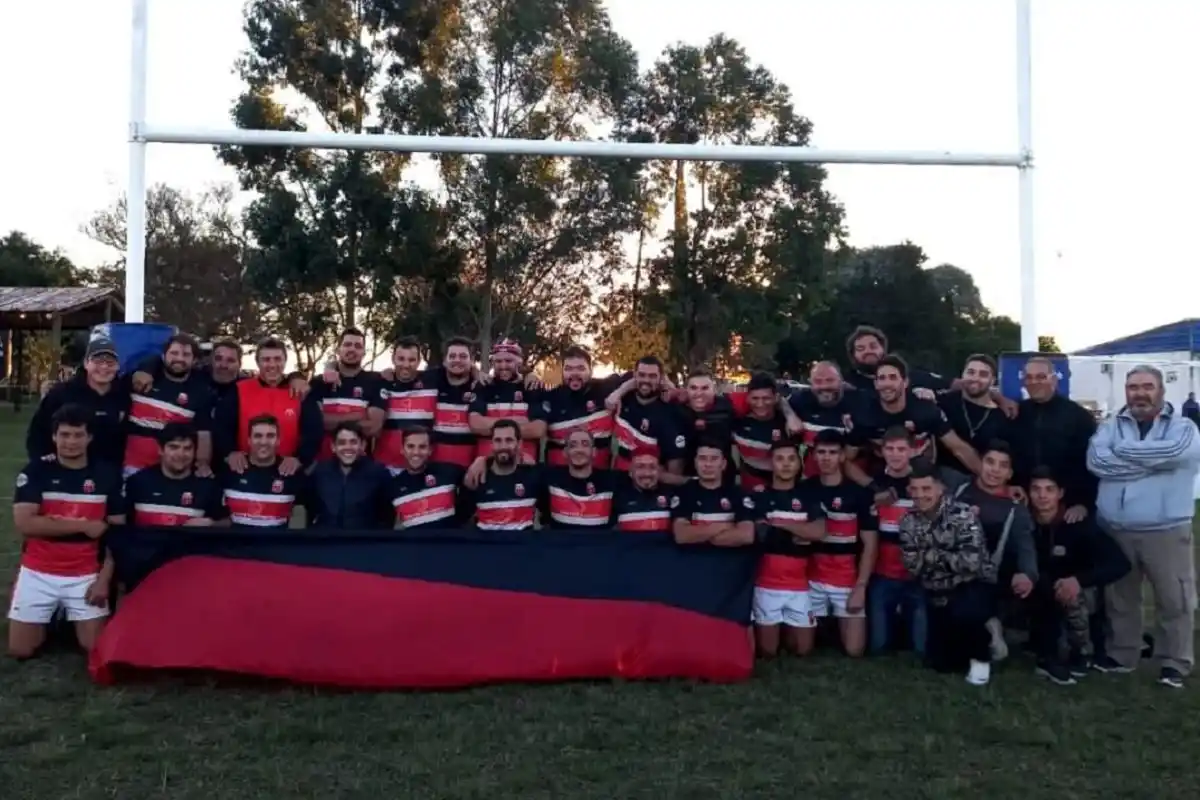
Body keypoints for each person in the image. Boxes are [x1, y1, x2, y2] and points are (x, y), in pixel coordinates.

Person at [1087, 365, 1200, 688]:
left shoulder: (1185, 428)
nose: (1140, 393)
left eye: (1147, 386)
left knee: (1174, 599)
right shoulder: (1111, 426)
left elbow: (1179, 452)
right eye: (1133, 386)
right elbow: (1096, 461)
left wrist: (1124, 454)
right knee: (1120, 597)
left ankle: (1174, 661)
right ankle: (1123, 653)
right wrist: (1154, 465)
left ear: (1161, 390)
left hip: (1166, 527)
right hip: (1116, 527)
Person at [8, 404, 123, 659]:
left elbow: (117, 533)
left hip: (85, 573)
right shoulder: (36, 471)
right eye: (64, 435)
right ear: (53, 437)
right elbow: (26, 523)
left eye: (78, 435)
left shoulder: (106, 474)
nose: (71, 442)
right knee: (20, 650)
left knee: (95, 649)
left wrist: (104, 580)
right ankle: (50, 617)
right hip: (38, 571)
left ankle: (62, 615)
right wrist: (84, 525)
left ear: (89, 437)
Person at [1026, 467, 1131, 686]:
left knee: (1070, 594)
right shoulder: (1023, 522)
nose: (1042, 496)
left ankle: (1082, 651)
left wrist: (1079, 580)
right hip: (1035, 590)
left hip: (1073, 593)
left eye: (1049, 489)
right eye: (1036, 489)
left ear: (1060, 493)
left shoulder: (1078, 525)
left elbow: (1120, 563)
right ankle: (1043, 649)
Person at [899, 464, 998, 686]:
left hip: (971, 585)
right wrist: (948, 558)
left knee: (967, 611)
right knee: (941, 664)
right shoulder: (907, 521)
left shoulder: (963, 515)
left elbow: (971, 564)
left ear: (940, 488)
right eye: (915, 489)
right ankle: (974, 644)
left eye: (926, 488)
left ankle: (982, 656)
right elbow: (912, 565)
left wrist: (930, 557)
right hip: (934, 589)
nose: (921, 495)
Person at [949, 440, 1038, 661]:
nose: (994, 470)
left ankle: (990, 628)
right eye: (990, 462)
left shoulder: (1016, 509)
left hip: (984, 578)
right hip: (947, 569)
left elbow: (1025, 545)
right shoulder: (957, 486)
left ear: (1010, 473)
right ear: (980, 463)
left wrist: (1028, 574)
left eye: (1002, 465)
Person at [803, 430, 878, 657]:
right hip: (810, 577)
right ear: (814, 455)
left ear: (843, 456)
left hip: (845, 576)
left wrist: (860, 587)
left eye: (833, 452)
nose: (826, 458)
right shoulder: (805, 490)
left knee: (854, 650)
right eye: (821, 452)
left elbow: (871, 545)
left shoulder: (859, 494)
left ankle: (833, 622)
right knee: (801, 648)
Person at [751, 441, 827, 657]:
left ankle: (788, 628)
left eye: (791, 459)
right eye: (780, 459)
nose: (786, 464)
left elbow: (819, 532)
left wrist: (778, 525)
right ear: (771, 463)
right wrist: (799, 532)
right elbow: (759, 535)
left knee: (803, 650)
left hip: (799, 585)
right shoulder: (759, 497)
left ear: (799, 464)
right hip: (766, 584)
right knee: (767, 651)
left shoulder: (808, 496)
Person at [852, 355, 982, 477]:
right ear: (875, 384)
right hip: (881, 480)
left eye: (893, 378)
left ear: (905, 382)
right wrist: (869, 485)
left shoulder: (925, 410)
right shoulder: (865, 414)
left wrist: (986, 478)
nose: (887, 384)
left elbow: (958, 448)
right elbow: (847, 457)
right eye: (882, 378)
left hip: (924, 479)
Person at [213, 337, 323, 475]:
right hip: (245, 471)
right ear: (258, 362)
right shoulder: (239, 390)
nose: (272, 365)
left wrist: (300, 459)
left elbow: (314, 431)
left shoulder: (299, 391)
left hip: (286, 472)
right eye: (266, 360)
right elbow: (222, 426)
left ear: (285, 361)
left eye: (277, 359)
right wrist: (230, 453)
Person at [1008, 357, 1097, 523]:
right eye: (1029, 377)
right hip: (1023, 505)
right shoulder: (1016, 413)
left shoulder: (1078, 416)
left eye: (1041, 376)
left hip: (1068, 511)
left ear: (1054, 380)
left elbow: (1093, 464)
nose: (1034, 382)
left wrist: (1084, 504)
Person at [868, 427, 928, 656]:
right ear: (882, 451)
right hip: (882, 574)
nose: (895, 454)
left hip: (917, 575)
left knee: (923, 648)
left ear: (912, 451)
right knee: (877, 647)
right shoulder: (874, 482)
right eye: (890, 449)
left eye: (901, 449)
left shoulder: (923, 483)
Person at [122, 333, 216, 477]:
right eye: (174, 353)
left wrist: (202, 464)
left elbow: (203, 433)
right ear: (164, 355)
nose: (179, 358)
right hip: (131, 467)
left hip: (172, 472)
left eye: (186, 354)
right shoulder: (141, 378)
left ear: (194, 360)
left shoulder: (201, 392)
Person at [26, 336, 129, 465]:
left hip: (109, 474)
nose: (104, 367)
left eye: (110, 362)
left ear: (118, 366)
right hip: (67, 471)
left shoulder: (124, 395)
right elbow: (38, 431)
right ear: (86, 363)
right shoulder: (61, 393)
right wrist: (41, 462)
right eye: (97, 361)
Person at [119, 423, 226, 526]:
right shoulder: (137, 482)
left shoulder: (208, 486)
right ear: (161, 450)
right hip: (145, 544)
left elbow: (226, 522)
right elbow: (122, 525)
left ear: (195, 452)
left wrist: (212, 524)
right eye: (174, 447)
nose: (180, 454)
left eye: (187, 448)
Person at [542, 345, 626, 469]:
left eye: (581, 368)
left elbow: (639, 376)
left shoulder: (604, 388)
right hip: (560, 478)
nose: (574, 373)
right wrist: (529, 375)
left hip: (599, 477)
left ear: (590, 370)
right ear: (562, 371)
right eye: (568, 369)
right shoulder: (550, 398)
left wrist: (619, 392)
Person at [605, 355, 688, 481]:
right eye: (642, 375)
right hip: (619, 481)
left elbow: (675, 471)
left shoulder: (671, 412)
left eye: (652, 376)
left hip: (649, 484)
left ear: (661, 379)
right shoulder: (625, 396)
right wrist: (620, 391)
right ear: (634, 376)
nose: (646, 380)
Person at [308, 328, 385, 462]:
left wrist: (331, 420)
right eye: (347, 345)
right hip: (322, 465)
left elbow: (373, 427)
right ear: (338, 350)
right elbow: (315, 424)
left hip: (360, 466)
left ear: (364, 352)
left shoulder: (375, 381)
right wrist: (358, 415)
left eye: (358, 346)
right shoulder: (319, 382)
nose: (352, 349)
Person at [468, 339, 547, 464]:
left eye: (509, 361)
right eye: (498, 361)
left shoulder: (531, 386)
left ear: (519, 361)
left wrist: (489, 425)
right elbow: (475, 425)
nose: (503, 366)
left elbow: (537, 430)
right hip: (488, 465)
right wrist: (518, 422)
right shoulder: (483, 386)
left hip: (524, 464)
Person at [220, 414, 305, 529]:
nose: (264, 442)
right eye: (258, 436)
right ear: (249, 440)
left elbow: (304, 518)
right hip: (235, 545)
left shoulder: (293, 473)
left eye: (270, 436)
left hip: (276, 546)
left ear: (278, 440)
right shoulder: (229, 471)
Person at [304, 422, 394, 529]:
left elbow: (388, 517)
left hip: (365, 542)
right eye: (342, 443)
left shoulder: (379, 473)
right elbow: (310, 509)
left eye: (353, 442)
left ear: (363, 445)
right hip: (326, 541)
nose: (348, 447)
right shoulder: (319, 472)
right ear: (333, 447)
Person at [937, 354, 1014, 477]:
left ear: (992, 380)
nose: (975, 378)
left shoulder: (1001, 417)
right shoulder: (943, 402)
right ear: (963, 374)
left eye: (983, 374)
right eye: (971, 372)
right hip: (943, 480)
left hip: (981, 483)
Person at [460, 419, 544, 531]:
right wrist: (482, 459)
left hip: (522, 547)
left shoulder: (534, 476)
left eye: (509, 440)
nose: (503, 446)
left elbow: (547, 516)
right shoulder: (477, 477)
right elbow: (462, 519)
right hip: (488, 547)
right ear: (491, 444)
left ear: (519, 444)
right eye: (498, 440)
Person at [670, 439, 757, 547]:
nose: (708, 464)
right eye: (702, 458)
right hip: (694, 560)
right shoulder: (683, 493)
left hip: (729, 561)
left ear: (724, 464)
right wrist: (724, 526)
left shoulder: (738, 494)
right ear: (695, 463)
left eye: (714, 459)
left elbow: (746, 536)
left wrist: (700, 536)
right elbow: (682, 536)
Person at [787, 361, 866, 478]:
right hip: (810, 481)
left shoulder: (859, 403)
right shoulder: (800, 400)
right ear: (810, 383)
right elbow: (778, 400)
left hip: (849, 482)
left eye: (830, 380)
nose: (824, 386)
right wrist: (789, 414)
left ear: (841, 381)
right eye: (818, 381)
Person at [541, 430, 616, 530]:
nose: (579, 450)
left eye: (585, 445)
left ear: (594, 452)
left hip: (598, 545)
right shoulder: (549, 478)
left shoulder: (612, 482)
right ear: (565, 452)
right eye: (573, 445)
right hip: (562, 544)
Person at [390, 427, 463, 530]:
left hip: (448, 544)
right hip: (413, 545)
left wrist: (482, 460)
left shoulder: (449, 472)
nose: (416, 452)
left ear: (430, 450)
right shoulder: (393, 486)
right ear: (402, 449)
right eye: (410, 446)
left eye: (422, 447)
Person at [611, 449, 676, 532]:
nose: (647, 473)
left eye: (652, 467)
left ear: (659, 471)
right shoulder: (618, 497)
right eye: (640, 467)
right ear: (631, 470)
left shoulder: (672, 495)